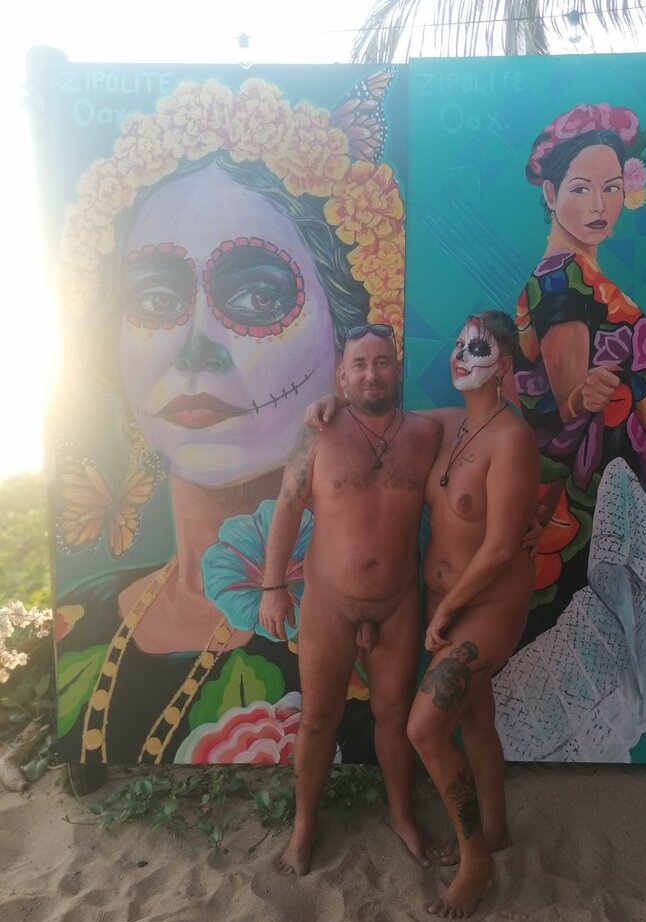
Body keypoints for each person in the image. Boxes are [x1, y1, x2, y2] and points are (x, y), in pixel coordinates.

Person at [52, 74, 405, 766]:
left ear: (344, 340)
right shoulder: (81, 617)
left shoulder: (354, 629)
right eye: (157, 300)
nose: (195, 347)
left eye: (257, 296)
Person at [493, 102, 646, 762]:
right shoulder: (561, 279)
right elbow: (568, 399)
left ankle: (577, 740)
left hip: (608, 464)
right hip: (592, 476)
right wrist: (582, 393)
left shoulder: (582, 274)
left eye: (612, 188)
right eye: (582, 188)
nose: (598, 205)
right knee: (626, 598)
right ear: (550, 193)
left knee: (593, 613)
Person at [304, 311, 540, 918]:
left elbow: (500, 549)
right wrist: (334, 400)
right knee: (476, 717)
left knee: (425, 727)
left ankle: (476, 860)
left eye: (477, 347)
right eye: (458, 345)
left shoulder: (512, 438)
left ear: (503, 365)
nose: (461, 355)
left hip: (483, 606)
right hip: (441, 603)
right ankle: (497, 829)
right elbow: (376, 413)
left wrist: (448, 610)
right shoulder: (449, 425)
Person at [258, 323, 443, 875]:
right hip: (329, 603)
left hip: (398, 602)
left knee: (393, 714)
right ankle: (304, 825)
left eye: (381, 362)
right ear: (342, 376)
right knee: (318, 719)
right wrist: (273, 586)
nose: (371, 374)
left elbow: (489, 431)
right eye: (359, 365)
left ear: (397, 370)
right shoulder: (319, 433)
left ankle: (401, 815)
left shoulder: (428, 432)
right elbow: (287, 505)